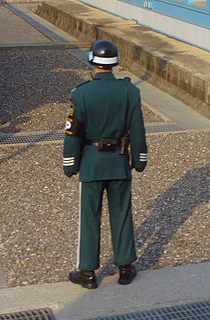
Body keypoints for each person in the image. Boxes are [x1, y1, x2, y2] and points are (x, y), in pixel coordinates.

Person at [63, 40, 148, 289]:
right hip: (119, 161)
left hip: (91, 163)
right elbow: (138, 129)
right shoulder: (130, 92)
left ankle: (88, 272)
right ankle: (125, 268)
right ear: (115, 63)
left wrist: (70, 163)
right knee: (122, 214)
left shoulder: (81, 94)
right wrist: (139, 159)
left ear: (93, 61)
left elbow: (73, 133)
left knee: (90, 218)